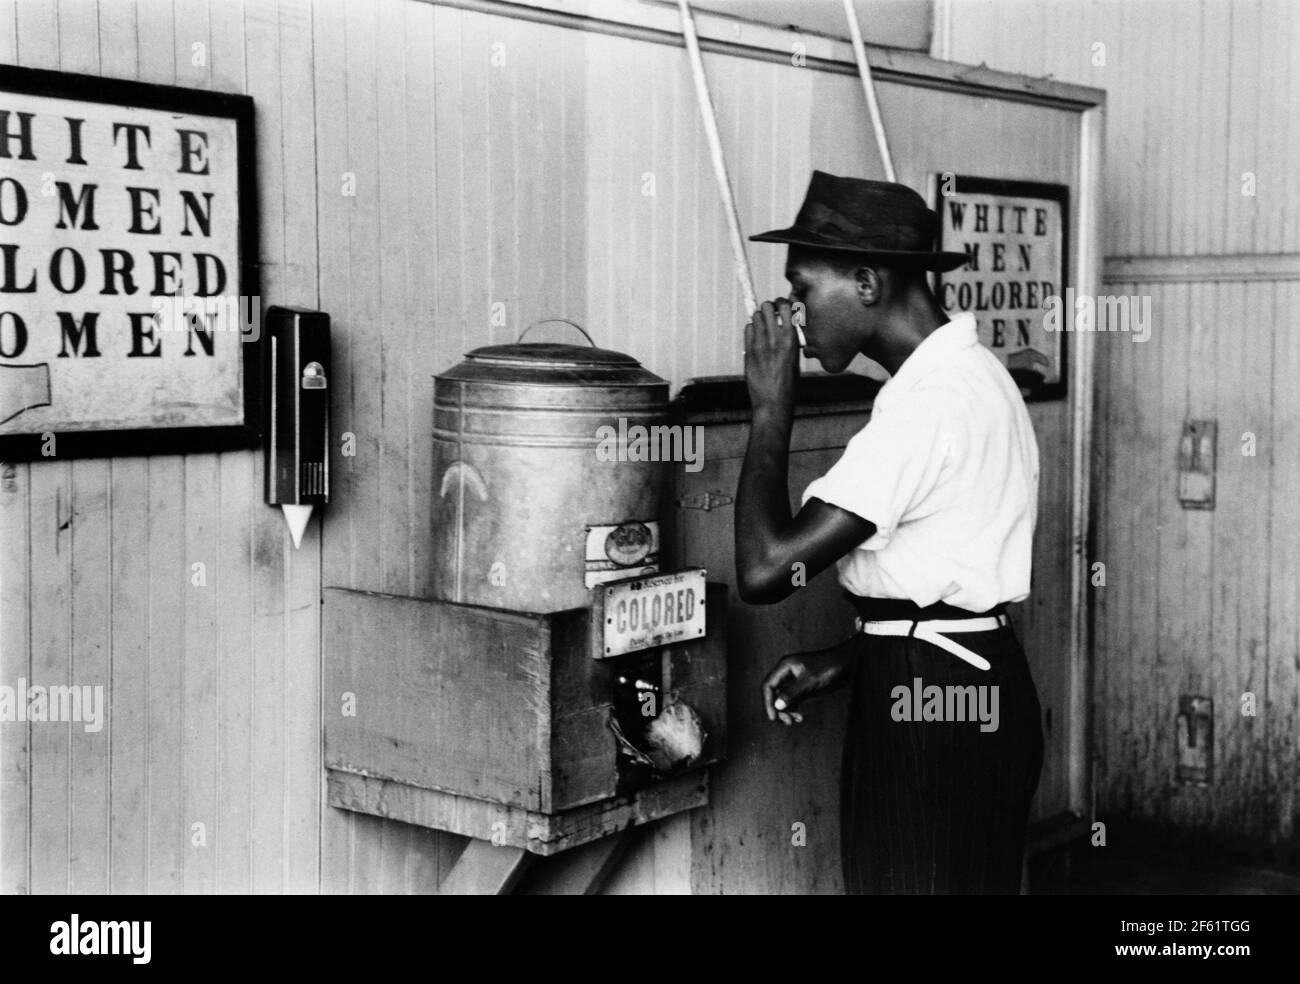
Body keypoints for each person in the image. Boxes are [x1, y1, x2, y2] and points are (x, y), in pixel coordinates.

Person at [734, 170, 1044, 894]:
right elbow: (948, 580)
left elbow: (765, 569)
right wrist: (851, 659)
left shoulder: (926, 407)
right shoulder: (976, 377)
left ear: (867, 282)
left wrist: (771, 408)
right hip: (973, 679)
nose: (795, 313)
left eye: (803, 288)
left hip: (930, 711)